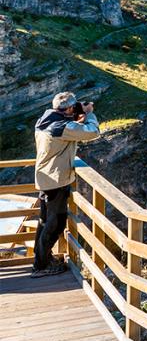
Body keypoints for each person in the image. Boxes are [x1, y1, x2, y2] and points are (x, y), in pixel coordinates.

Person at [31, 92, 101, 278]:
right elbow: (92, 132)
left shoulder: (45, 120)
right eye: (73, 107)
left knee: (45, 221)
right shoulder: (61, 126)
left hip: (46, 177)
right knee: (55, 222)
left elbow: (68, 129)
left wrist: (76, 117)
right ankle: (42, 265)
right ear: (68, 109)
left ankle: (40, 259)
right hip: (56, 179)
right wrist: (90, 114)